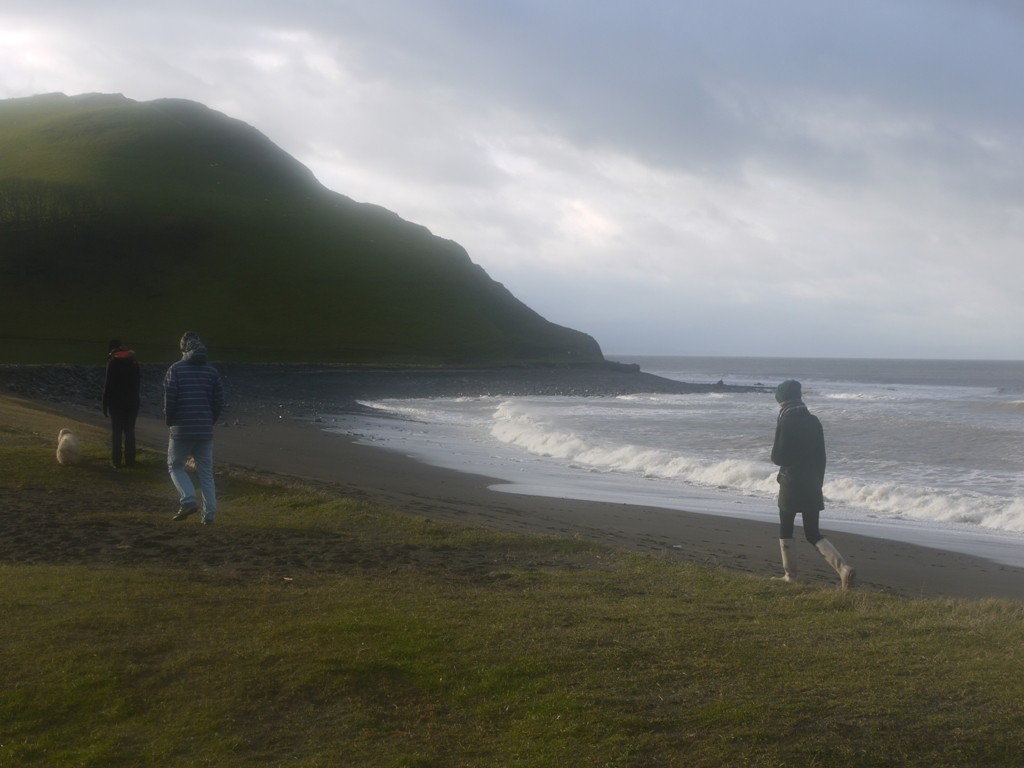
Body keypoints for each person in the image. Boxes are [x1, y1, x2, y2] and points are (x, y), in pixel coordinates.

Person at [770, 379, 855, 589]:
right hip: (812, 483)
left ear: (783, 401)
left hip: (791, 483)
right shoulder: (814, 421)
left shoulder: (785, 421)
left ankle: (790, 575)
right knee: (813, 533)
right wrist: (818, 482)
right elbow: (821, 457)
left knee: (786, 528)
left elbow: (778, 457)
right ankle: (843, 569)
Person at [164, 332, 226, 525]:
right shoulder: (212, 372)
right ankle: (209, 514)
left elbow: (170, 399)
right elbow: (218, 401)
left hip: (181, 428)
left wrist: (170, 420)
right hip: (205, 429)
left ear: (183, 349)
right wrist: (210, 420)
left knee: (175, 465)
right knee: (206, 472)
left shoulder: (175, 370)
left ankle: (189, 499)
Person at [102, 339, 141, 469]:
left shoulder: (113, 362)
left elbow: (108, 385)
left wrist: (104, 404)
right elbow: (138, 382)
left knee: (116, 432)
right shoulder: (133, 361)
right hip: (132, 401)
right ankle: (130, 460)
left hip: (116, 402)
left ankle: (116, 461)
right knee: (130, 431)